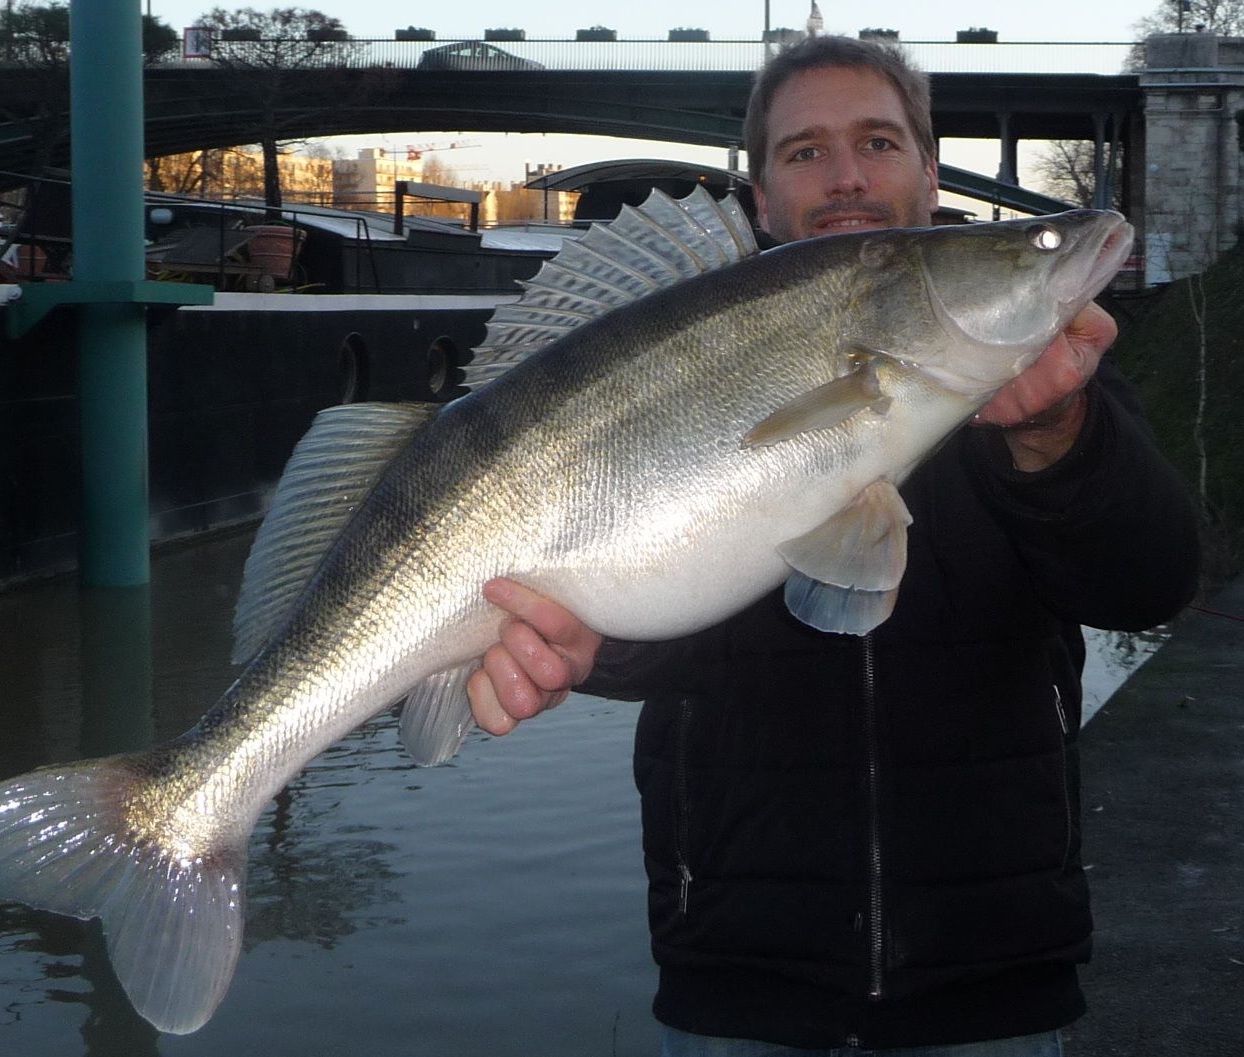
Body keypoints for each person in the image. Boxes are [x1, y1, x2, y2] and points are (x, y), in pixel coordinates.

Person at [465, 36, 1200, 1057]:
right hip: (741, 986)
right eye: (806, 151)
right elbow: (660, 632)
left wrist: (1055, 438)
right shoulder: (688, 350)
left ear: (931, 174)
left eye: (878, 142)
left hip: (990, 983)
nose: (847, 174)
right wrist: (585, 648)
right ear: (762, 195)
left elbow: (1152, 580)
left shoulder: (1047, 380)